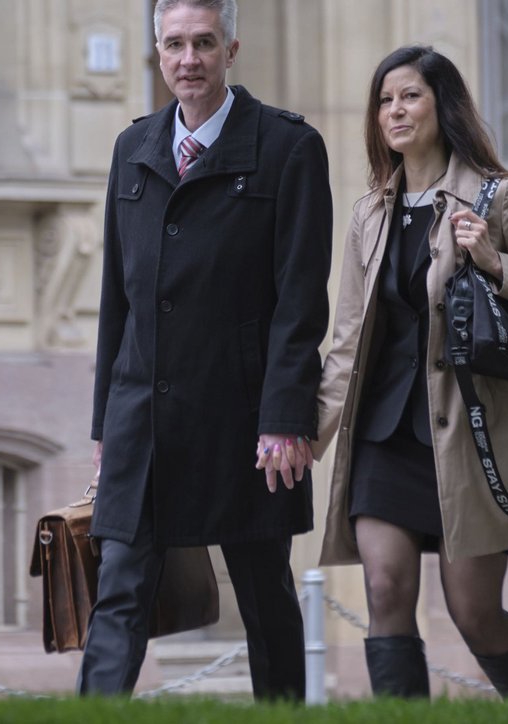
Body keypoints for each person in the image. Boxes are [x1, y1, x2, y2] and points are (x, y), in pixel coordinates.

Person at [312, 44, 508, 699]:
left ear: (442, 105)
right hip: (383, 433)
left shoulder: (497, 195)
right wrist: (306, 435)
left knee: (474, 614)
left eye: (410, 96)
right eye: (385, 99)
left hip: (469, 435)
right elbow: (347, 340)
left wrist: (494, 261)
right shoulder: (368, 214)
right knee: (384, 589)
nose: (395, 110)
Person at [79, 0, 333, 701]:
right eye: (173, 44)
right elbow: (115, 300)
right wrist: (106, 426)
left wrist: (286, 415)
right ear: (156, 52)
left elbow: (301, 299)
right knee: (119, 592)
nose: (187, 59)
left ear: (232, 48)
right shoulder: (132, 149)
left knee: (263, 594)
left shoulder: (288, 149)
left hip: (246, 419)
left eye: (203, 43)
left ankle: (283, 714)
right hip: (143, 418)